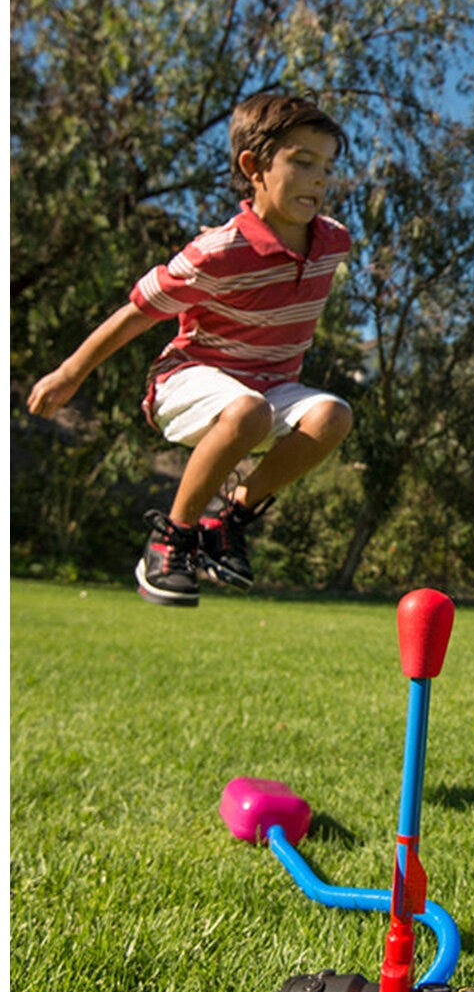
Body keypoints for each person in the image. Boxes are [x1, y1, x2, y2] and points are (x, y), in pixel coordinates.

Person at [26, 93, 355, 607]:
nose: (319, 178)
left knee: (334, 415)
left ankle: (226, 523)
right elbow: (137, 311)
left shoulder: (333, 241)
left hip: (272, 388)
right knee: (247, 410)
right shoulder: (217, 252)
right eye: (303, 162)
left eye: (328, 167)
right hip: (186, 381)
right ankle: (170, 541)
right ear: (254, 167)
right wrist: (70, 373)